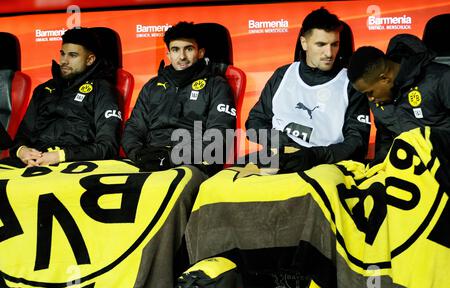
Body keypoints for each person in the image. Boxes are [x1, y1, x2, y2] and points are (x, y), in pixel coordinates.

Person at [245, 7, 371, 172]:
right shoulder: (283, 75)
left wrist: (315, 156)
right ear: (304, 43)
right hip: (278, 156)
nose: (329, 53)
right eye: (321, 44)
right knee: (219, 186)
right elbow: (254, 122)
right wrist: (282, 143)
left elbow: (357, 142)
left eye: (335, 44)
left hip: (324, 166)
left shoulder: (351, 84)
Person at [121, 21, 236, 175]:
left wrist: (172, 157)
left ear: (200, 53)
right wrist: (139, 155)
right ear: (168, 54)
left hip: (195, 164)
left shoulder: (217, 85)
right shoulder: (152, 86)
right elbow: (133, 129)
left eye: (188, 49)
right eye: (175, 50)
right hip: (149, 160)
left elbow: (218, 136)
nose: (182, 57)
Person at [5, 27, 121, 167]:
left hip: (75, 164)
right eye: (62, 53)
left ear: (90, 60)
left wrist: (60, 156)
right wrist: (22, 151)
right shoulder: (43, 90)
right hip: (32, 164)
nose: (64, 61)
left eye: (72, 55)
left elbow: (108, 147)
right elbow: (22, 136)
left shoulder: (102, 89)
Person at [347, 33, 450, 163]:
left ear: (384, 78)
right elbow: (385, 143)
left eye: (370, 92)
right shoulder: (379, 101)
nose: (370, 99)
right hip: (407, 173)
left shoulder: (441, 79)